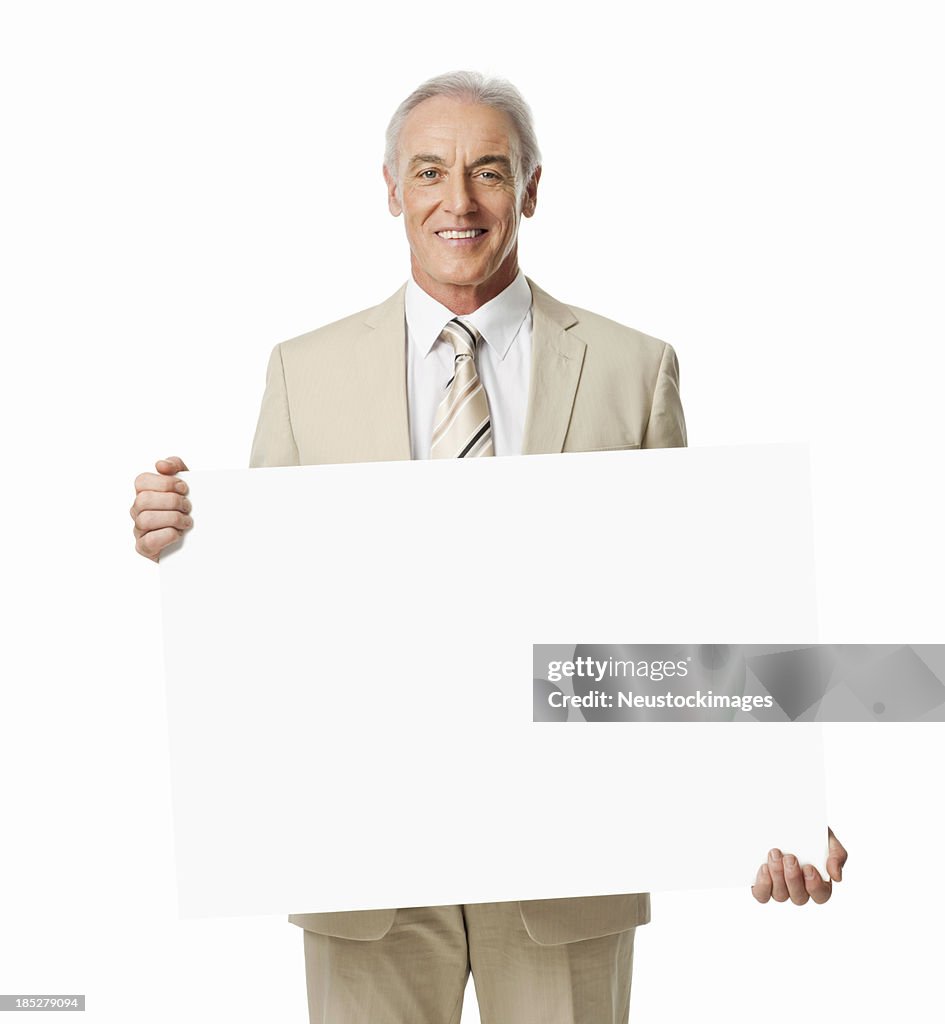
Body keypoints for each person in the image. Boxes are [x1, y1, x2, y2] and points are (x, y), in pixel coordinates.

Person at [131, 70, 847, 1024]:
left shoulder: (636, 369)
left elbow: (684, 611)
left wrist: (771, 796)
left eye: (489, 172)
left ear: (533, 188)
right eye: (429, 171)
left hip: (570, 854)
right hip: (362, 858)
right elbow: (270, 614)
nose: (457, 201)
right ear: (390, 190)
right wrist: (184, 547)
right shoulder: (303, 372)